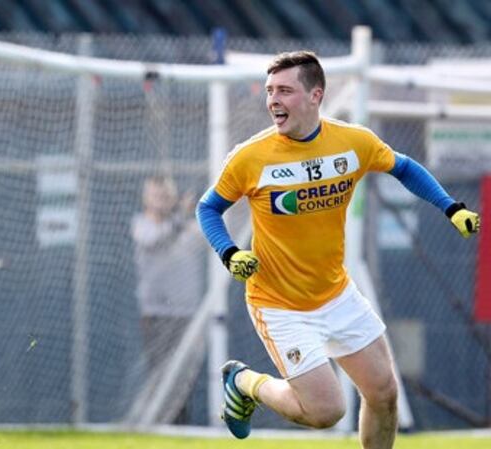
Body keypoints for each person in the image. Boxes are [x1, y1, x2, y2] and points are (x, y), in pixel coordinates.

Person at [196, 51, 479, 448]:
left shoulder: (352, 142)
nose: (273, 100)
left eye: (285, 91)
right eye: (270, 91)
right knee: (326, 412)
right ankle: (244, 381)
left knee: (384, 393)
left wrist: (451, 207)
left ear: (316, 95)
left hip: (337, 294)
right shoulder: (251, 156)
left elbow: (404, 167)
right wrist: (229, 252)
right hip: (280, 304)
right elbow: (208, 208)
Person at [131, 175, 206, 423]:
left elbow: (212, 234)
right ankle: (159, 423)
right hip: (157, 315)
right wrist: (180, 216)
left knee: (184, 380)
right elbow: (156, 240)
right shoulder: (142, 226)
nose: (161, 200)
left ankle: (178, 427)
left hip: (187, 316)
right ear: (145, 198)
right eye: (156, 195)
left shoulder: (188, 228)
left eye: (166, 195)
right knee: (161, 377)